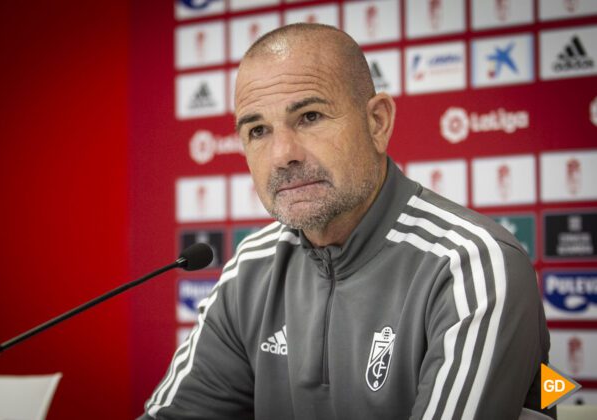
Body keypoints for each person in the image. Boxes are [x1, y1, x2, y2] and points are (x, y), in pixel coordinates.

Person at [141, 23, 552, 420]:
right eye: (259, 130)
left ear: (377, 122)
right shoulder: (251, 267)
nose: (283, 154)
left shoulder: (472, 265)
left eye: (311, 117)